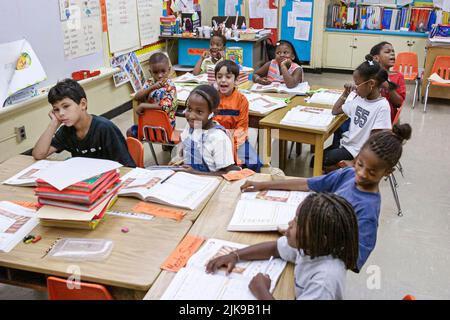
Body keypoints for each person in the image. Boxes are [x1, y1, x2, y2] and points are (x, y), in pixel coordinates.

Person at [240, 123, 412, 271]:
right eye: (360, 164)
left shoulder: (367, 209)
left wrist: (311, 238)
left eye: (372, 172)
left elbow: (355, 259)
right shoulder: (348, 174)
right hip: (303, 243)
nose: (361, 173)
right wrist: (263, 184)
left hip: (317, 262)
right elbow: (307, 183)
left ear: (388, 172)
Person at [206, 193, 359, 300]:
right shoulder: (311, 247)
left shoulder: (324, 281)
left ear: (320, 239)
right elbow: (275, 248)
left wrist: (262, 291)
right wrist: (235, 255)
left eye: (297, 223)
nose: (289, 224)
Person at [32, 78, 135, 167]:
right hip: (86, 181)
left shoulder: (104, 128)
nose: (61, 114)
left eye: (66, 106)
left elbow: (127, 166)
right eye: (56, 109)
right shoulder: (66, 131)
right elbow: (38, 154)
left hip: (108, 181)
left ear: (83, 104)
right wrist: (54, 124)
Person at [322, 54, 392, 172]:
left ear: (371, 84)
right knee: (317, 159)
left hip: (359, 152)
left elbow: (375, 143)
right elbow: (335, 110)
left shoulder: (382, 107)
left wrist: (354, 162)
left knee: (321, 160)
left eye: (357, 83)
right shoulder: (360, 99)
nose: (355, 86)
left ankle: (350, 172)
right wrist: (345, 93)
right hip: (348, 145)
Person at [170, 85, 239, 175]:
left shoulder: (218, 138)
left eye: (199, 112)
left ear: (212, 113)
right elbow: (185, 150)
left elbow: (228, 173)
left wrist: (195, 172)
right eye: (189, 109)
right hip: (189, 178)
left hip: (211, 181)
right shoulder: (191, 127)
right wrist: (178, 160)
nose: (191, 116)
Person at [214, 60, 262, 172]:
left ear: (236, 81)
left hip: (237, 140)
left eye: (228, 77)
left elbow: (242, 127)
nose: (223, 80)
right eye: (219, 77)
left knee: (254, 162)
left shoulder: (242, 100)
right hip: (216, 140)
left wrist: (232, 146)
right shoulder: (212, 98)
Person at [126, 52, 177, 138]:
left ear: (169, 70)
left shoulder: (170, 86)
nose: (160, 75)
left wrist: (143, 106)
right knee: (130, 132)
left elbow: (164, 106)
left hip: (166, 127)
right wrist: (152, 88)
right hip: (148, 124)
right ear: (150, 72)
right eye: (155, 72)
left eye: (163, 71)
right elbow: (137, 97)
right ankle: (137, 151)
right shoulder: (149, 83)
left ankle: (168, 146)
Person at [370, 41, 406, 123]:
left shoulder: (398, 76)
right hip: (369, 118)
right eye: (387, 52)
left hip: (386, 121)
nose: (392, 54)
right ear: (376, 58)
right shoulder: (369, 74)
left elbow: (399, 103)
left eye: (393, 51)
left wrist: (388, 86)